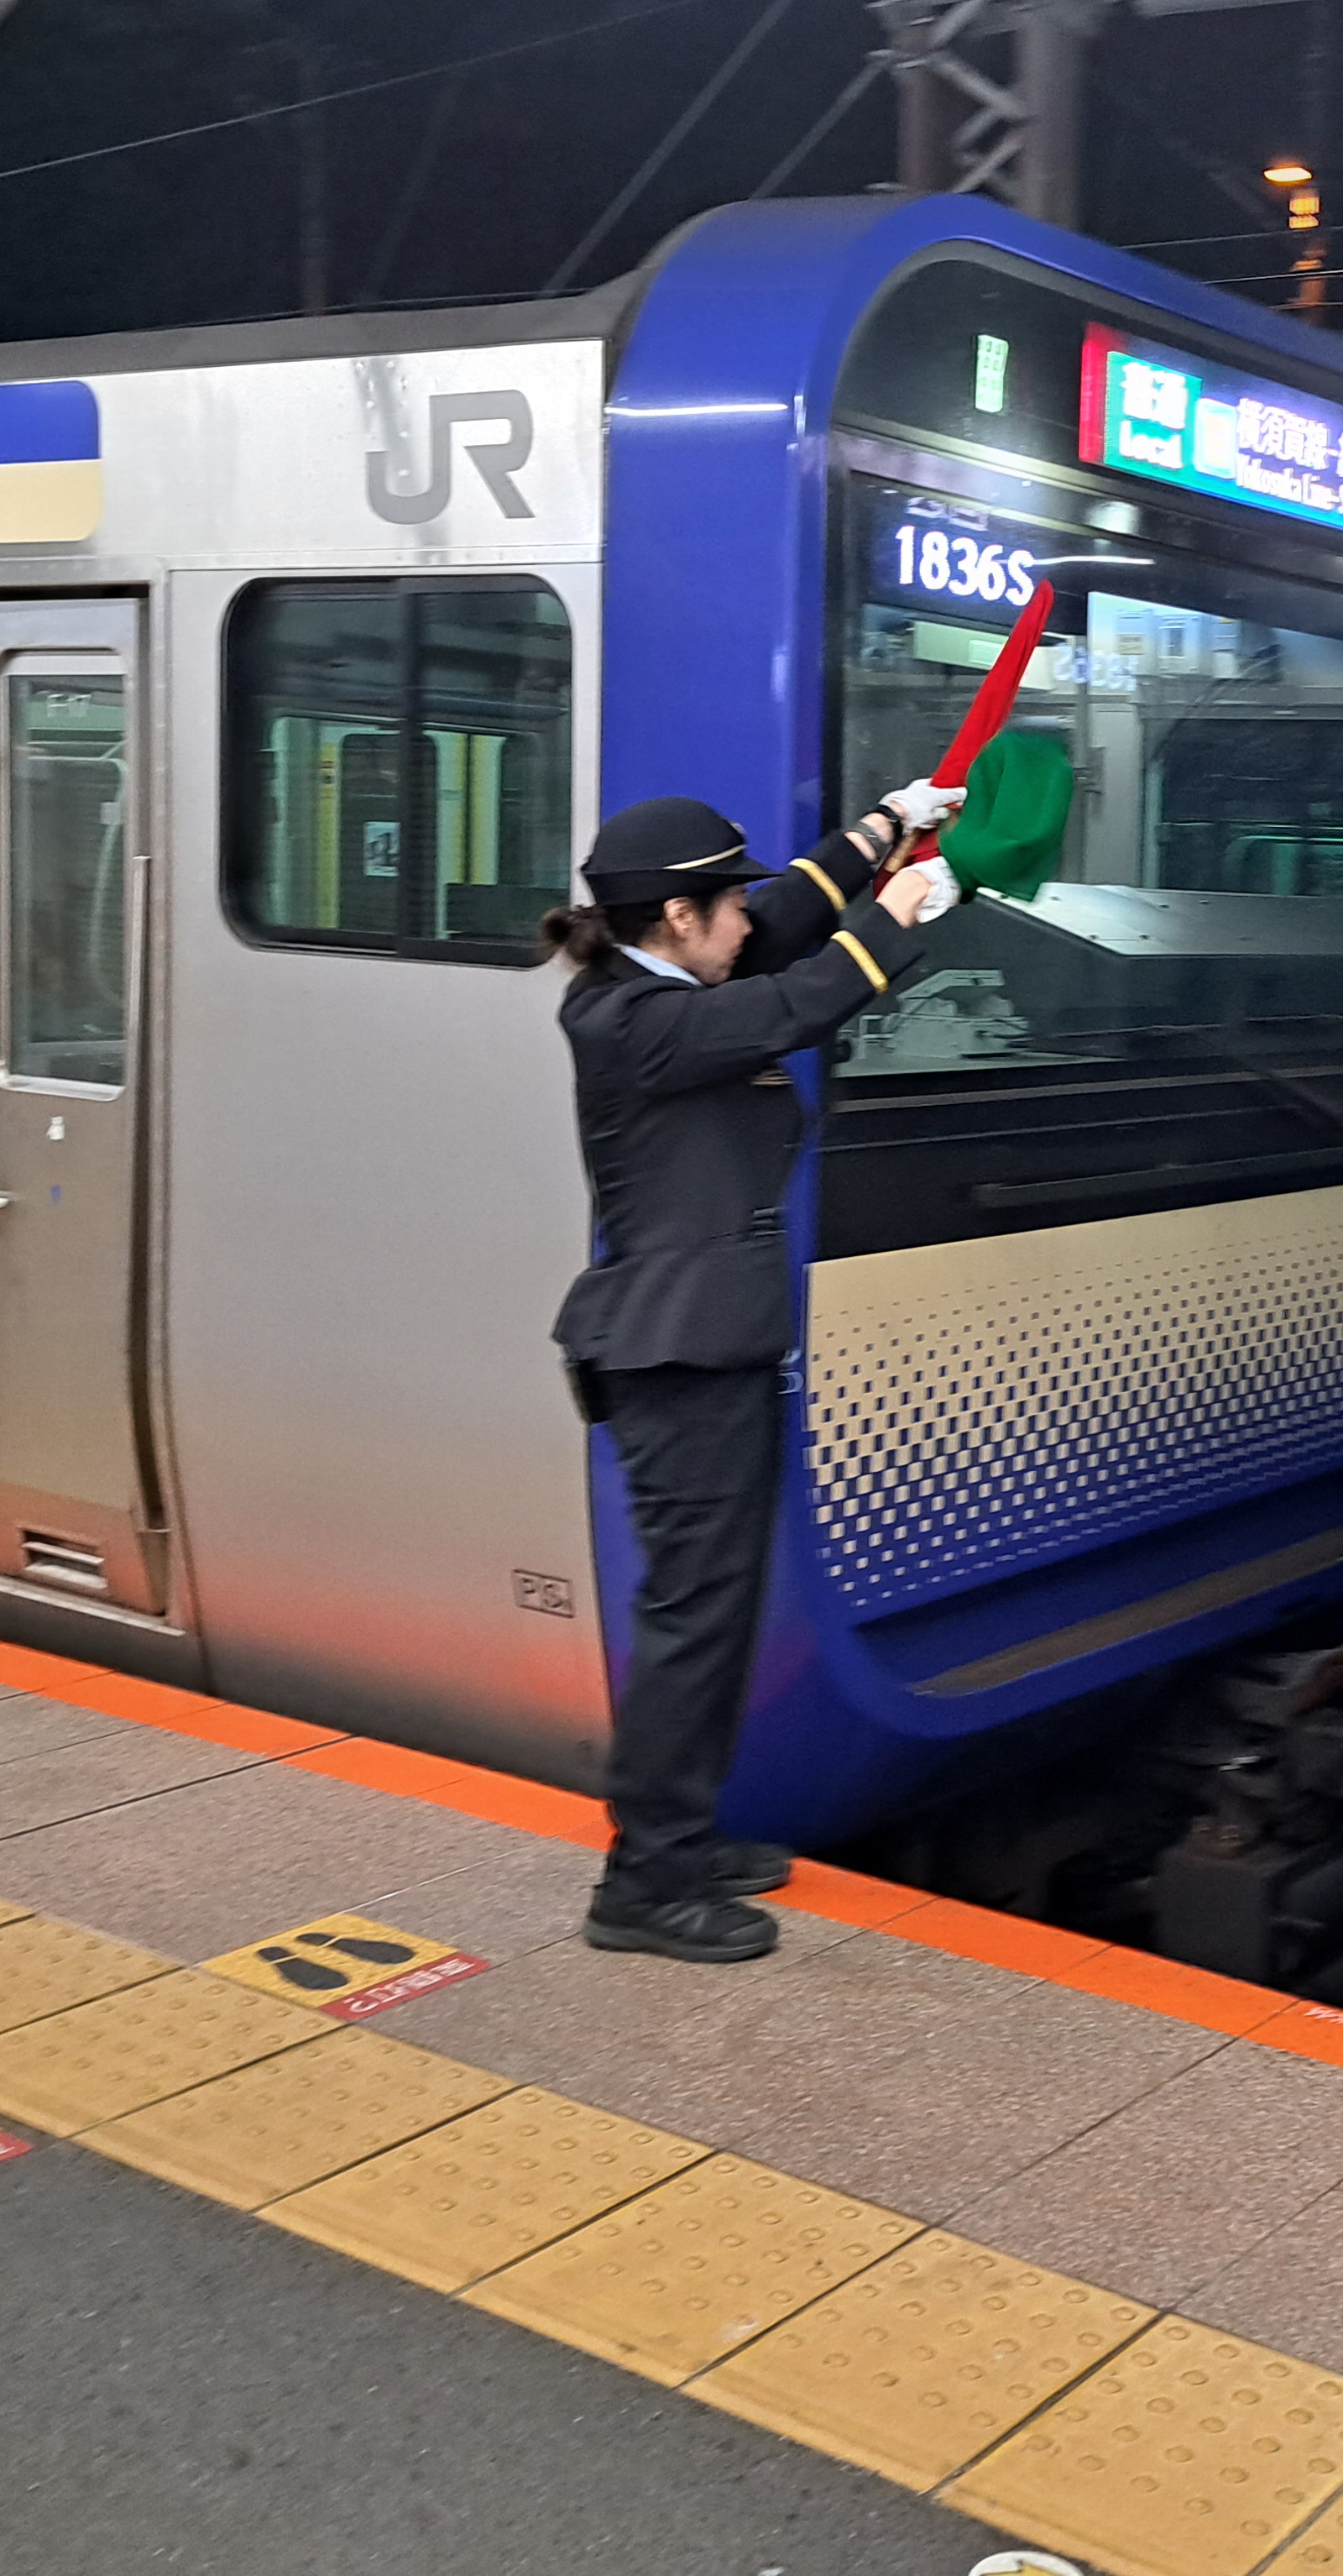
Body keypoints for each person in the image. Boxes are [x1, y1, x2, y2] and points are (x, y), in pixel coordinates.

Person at [546, 779, 963, 1965]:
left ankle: (681, 1837)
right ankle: (644, 1883)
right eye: (726, 902)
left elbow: (782, 925)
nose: (748, 917)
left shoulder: (666, 976)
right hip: (674, 1357)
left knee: (714, 1608)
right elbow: (801, 998)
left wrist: (884, 829)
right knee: (693, 1616)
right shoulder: (631, 1023)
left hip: (705, 1348)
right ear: (678, 917)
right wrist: (898, 915)